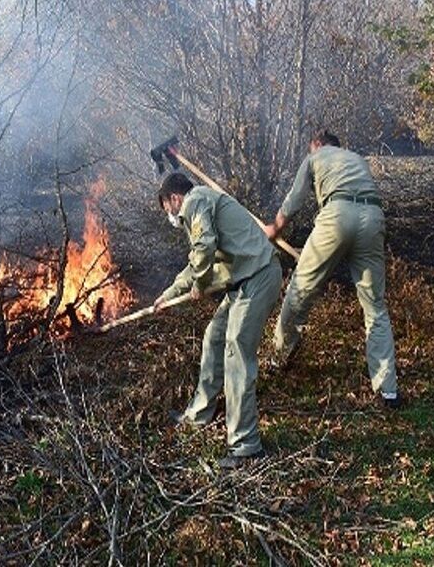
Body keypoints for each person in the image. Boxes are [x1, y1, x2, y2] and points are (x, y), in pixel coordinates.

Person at [263, 130, 400, 408]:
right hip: (373, 217)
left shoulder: (315, 157)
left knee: (299, 290)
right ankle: (389, 391)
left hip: (337, 216)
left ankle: (278, 359)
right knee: (375, 307)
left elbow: (294, 200)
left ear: (317, 144)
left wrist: (274, 229)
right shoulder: (356, 159)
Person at [154, 172, 282, 468]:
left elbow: (204, 248)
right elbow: (196, 261)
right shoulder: (201, 204)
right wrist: (169, 293)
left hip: (258, 277)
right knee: (214, 337)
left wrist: (200, 283)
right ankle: (199, 415)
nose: (171, 217)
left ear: (174, 198)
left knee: (236, 352)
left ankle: (245, 445)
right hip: (242, 281)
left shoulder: (195, 199)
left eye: (168, 209)